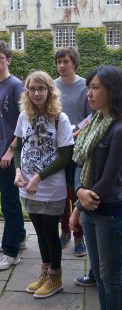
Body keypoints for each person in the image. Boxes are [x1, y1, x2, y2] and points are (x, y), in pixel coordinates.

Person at [70, 65, 122, 310]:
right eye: (89, 87)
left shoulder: (117, 128)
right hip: (89, 206)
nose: (89, 93)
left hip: (108, 210)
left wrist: (81, 202)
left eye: (96, 87)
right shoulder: (92, 122)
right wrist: (79, 193)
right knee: (99, 271)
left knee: (110, 272)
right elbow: (78, 161)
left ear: (112, 91)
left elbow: (110, 178)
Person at [14, 71, 74, 298]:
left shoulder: (60, 118)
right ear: (27, 92)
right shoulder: (24, 116)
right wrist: (18, 171)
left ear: (50, 91)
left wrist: (39, 176)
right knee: (39, 232)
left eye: (42, 89)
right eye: (33, 89)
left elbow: (66, 155)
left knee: (50, 232)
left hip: (50, 188)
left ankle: (56, 277)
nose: (37, 93)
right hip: (27, 186)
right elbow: (19, 146)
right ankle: (45, 271)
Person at [0, 40, 27, 271]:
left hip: (10, 155)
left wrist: (11, 150)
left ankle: (12, 252)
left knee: (10, 203)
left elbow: (25, 122)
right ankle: (19, 236)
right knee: (8, 199)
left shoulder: (16, 86)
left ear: (8, 60)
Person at [54, 47, 91, 256]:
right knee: (60, 193)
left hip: (78, 148)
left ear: (74, 63)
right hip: (58, 149)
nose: (61, 65)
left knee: (76, 191)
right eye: (59, 61)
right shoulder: (53, 86)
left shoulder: (84, 86)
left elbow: (91, 118)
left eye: (65, 61)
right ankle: (65, 231)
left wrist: (75, 133)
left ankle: (79, 235)